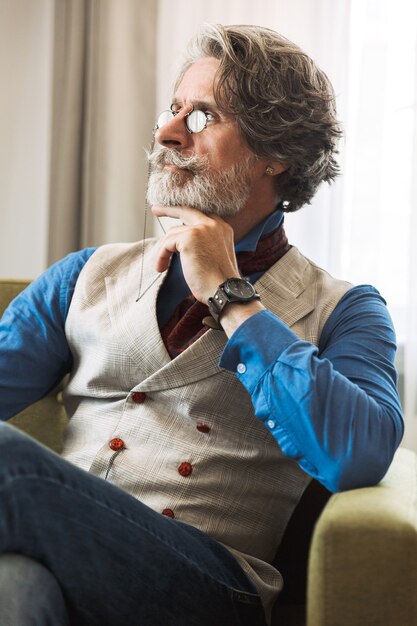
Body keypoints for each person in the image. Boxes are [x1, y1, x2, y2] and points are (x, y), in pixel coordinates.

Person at [0, 23, 403, 626]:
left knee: (10, 462)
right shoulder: (85, 274)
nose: (164, 132)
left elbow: (356, 455)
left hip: (208, 586)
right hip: (68, 551)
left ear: (277, 153)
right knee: (16, 585)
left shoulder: (347, 309)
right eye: (172, 109)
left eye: (201, 117)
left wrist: (229, 293)